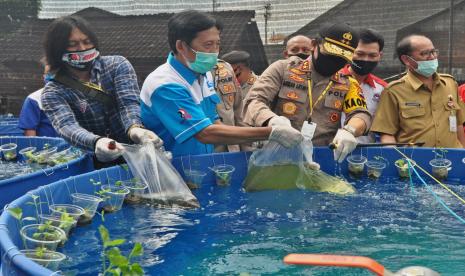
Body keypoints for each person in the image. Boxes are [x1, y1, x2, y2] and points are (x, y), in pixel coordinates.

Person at [140, 10, 302, 158]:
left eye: (217, 44)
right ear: (181, 46)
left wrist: (269, 126)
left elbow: (214, 122)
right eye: (208, 45)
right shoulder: (165, 85)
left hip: (202, 165)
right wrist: (271, 132)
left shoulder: (203, 76)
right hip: (172, 170)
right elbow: (205, 133)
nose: (215, 51)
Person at [41, 15, 162, 166]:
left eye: (87, 42)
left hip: (137, 152)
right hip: (97, 158)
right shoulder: (52, 92)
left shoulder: (117, 65)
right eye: (72, 44)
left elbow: (128, 103)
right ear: (57, 49)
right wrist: (97, 141)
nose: (83, 49)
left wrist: (135, 129)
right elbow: (67, 126)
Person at [243, 23, 371, 162]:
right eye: (330, 55)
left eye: (342, 59)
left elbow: (361, 113)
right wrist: (273, 121)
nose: (335, 62)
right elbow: (253, 101)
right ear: (314, 45)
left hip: (320, 158)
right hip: (277, 154)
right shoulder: (283, 69)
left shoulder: (347, 83)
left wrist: (350, 130)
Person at [371, 35, 465, 148]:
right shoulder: (394, 91)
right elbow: (387, 134)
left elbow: (458, 124)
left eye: (434, 52)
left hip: (451, 159)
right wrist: (398, 160)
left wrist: (462, 156)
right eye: (425, 53)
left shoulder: (450, 83)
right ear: (406, 59)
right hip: (414, 162)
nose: (432, 57)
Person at [340, 28, 387, 143]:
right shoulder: (331, 80)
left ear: (380, 56)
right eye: (360, 54)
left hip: (366, 154)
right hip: (330, 150)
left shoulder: (383, 89)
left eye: (372, 55)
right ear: (350, 52)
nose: (366, 59)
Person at [211, 59, 243, 152]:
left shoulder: (225, 68)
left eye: (217, 44)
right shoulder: (181, 74)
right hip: (208, 148)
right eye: (208, 44)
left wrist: (245, 146)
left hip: (231, 145)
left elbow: (238, 110)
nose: (214, 48)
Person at [18, 64, 58, 137]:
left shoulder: (74, 97)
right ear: (44, 76)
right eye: (49, 73)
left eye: (56, 73)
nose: (53, 76)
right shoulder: (34, 99)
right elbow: (29, 130)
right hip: (47, 146)